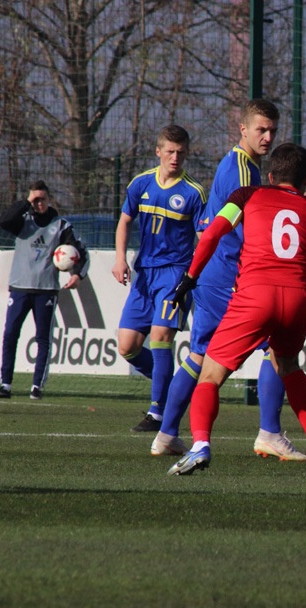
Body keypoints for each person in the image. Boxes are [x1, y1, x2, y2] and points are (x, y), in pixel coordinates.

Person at [165, 143, 306, 476]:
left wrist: (189, 277)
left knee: (211, 376)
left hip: (255, 296)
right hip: (299, 299)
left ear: (271, 176)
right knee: (287, 365)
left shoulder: (247, 195)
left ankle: (200, 446)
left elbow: (214, 232)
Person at [152, 99, 306, 462]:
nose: (268, 136)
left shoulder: (238, 164)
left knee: (199, 356)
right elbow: (246, 229)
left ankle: (166, 434)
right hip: (230, 277)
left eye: (272, 130)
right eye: (261, 129)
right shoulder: (246, 173)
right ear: (242, 129)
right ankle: (270, 434)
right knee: (277, 351)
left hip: (213, 275)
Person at [112, 125, 206, 433]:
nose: (175, 157)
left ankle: (158, 412)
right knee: (127, 346)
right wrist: (119, 258)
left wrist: (196, 276)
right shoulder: (141, 184)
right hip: (145, 275)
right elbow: (125, 221)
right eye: (169, 151)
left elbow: (205, 237)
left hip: (176, 274)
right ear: (158, 151)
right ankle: (174, 385)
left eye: (180, 152)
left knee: (160, 337)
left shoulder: (193, 192)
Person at [0, 181, 89, 400]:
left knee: (43, 338)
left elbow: (81, 252)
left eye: (42, 199)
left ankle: (37, 387)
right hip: (20, 288)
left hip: (46, 290)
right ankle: (5, 384)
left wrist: (77, 275)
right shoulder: (22, 221)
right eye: (35, 199)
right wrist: (26, 203)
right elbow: (3, 221)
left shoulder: (60, 225)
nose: (39, 203)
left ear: (49, 199)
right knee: (10, 334)